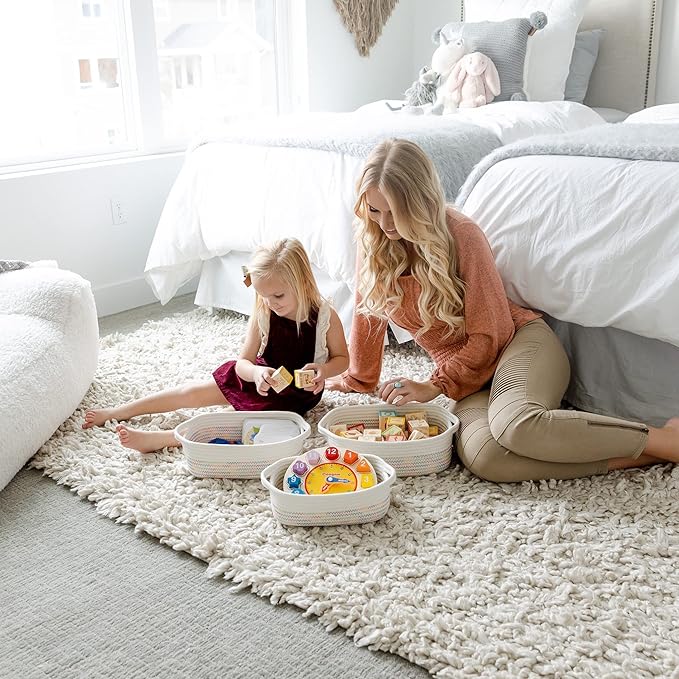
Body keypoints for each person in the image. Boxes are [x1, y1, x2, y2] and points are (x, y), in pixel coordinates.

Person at [328, 138, 679, 482]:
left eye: (395, 211)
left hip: (515, 344)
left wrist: (435, 385)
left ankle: (663, 438)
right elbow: (366, 314)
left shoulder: (461, 234)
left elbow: (491, 332)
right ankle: (651, 453)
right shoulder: (375, 243)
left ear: (420, 202)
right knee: (487, 458)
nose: (385, 224)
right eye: (374, 210)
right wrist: (356, 378)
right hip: (468, 378)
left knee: (517, 427)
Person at [83, 238, 349, 453]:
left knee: (235, 426)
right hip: (259, 379)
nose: (270, 303)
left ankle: (165, 438)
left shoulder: (325, 316)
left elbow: (342, 359)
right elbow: (243, 363)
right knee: (189, 393)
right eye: (263, 295)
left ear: (302, 283)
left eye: (278, 295)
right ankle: (120, 411)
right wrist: (257, 373)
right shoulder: (264, 312)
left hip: (294, 398)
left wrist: (323, 372)